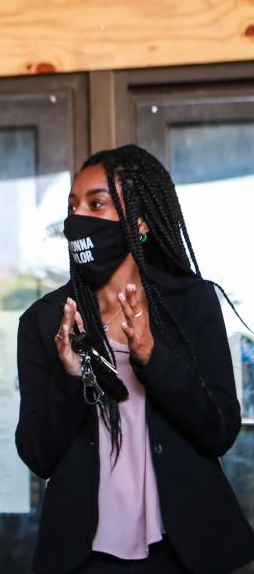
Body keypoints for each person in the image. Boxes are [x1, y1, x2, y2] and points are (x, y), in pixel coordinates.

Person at [15, 144, 254, 573]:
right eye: (73, 205)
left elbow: (219, 430)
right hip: (84, 556)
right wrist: (71, 376)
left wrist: (153, 359)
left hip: (183, 551)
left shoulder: (191, 303)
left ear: (139, 222)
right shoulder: (45, 321)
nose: (78, 217)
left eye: (97, 203)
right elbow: (37, 453)